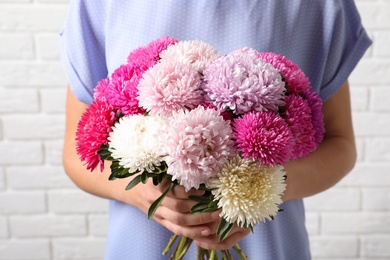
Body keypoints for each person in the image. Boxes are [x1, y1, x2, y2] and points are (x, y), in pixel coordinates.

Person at [60, 1, 371, 259]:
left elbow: (340, 144)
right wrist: (143, 192)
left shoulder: (319, 5)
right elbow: (78, 151)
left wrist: (255, 194)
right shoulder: (101, 4)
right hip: (142, 248)